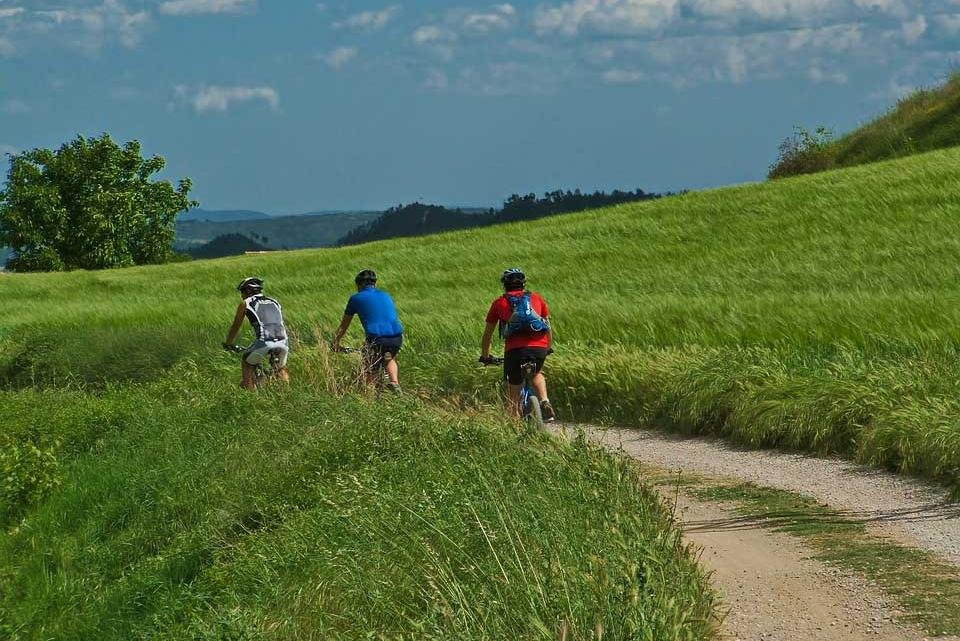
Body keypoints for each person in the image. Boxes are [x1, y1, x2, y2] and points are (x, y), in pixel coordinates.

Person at [480, 267, 556, 421]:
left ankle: (514, 425)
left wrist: (485, 356)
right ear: (523, 284)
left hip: (515, 351)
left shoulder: (499, 303)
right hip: (539, 348)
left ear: (505, 285)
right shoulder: (536, 298)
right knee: (537, 373)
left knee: (513, 396)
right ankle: (544, 401)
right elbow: (547, 327)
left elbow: (487, 335)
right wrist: (547, 348)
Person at [331, 269, 404, 391]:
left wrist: (335, 342)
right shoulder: (385, 295)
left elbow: (344, 325)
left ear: (358, 285)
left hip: (377, 338)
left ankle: (369, 395)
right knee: (388, 357)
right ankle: (394, 383)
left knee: (370, 367)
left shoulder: (355, 298)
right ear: (374, 284)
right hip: (397, 337)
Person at [223, 277, 290, 390]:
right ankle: (287, 392)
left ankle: (251, 396)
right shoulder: (274, 301)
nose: (241, 295)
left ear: (247, 291)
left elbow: (236, 326)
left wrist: (228, 343)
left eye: (242, 292)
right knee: (280, 369)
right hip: (283, 341)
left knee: (247, 363)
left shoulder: (246, 303)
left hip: (265, 341)